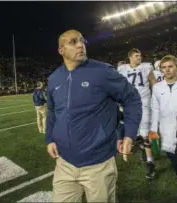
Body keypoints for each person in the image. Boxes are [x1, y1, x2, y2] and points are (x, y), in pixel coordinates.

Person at [46, 30, 142, 202]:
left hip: (99, 163)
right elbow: (52, 112)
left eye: (82, 41)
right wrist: (49, 139)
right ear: (61, 50)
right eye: (73, 42)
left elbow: (132, 98)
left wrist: (129, 133)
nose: (80, 45)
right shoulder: (54, 79)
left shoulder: (102, 71)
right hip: (64, 163)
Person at [117, 48, 157, 180]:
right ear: (130, 58)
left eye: (140, 55)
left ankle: (150, 162)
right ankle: (145, 150)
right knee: (136, 132)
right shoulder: (122, 69)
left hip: (145, 103)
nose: (139, 57)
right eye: (136, 56)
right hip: (130, 104)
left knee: (146, 134)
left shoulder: (146, 67)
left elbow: (153, 83)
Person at [150, 55, 177, 201]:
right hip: (167, 132)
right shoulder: (157, 88)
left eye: (170, 66)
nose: (167, 70)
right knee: (176, 164)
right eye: (164, 67)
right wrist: (153, 130)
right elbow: (154, 109)